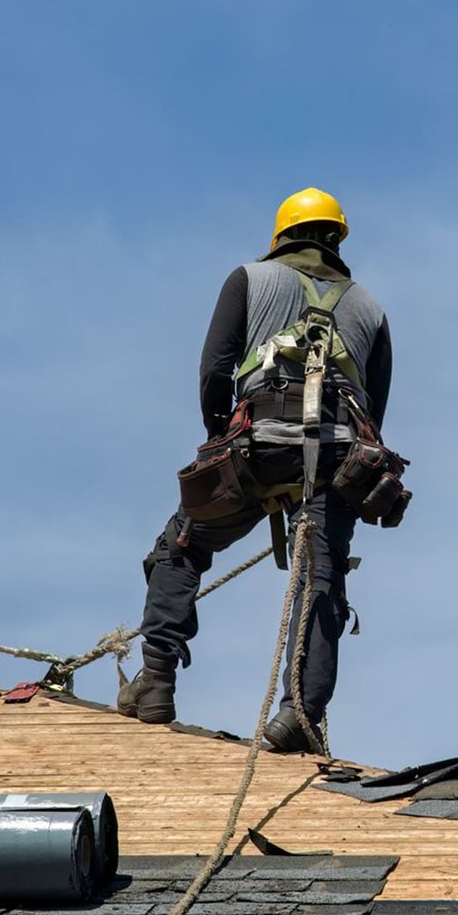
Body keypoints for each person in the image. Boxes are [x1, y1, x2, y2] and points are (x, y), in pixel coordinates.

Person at [119, 187, 394, 753]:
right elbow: (377, 413)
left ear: (280, 237)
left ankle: (157, 683)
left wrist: (220, 437)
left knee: (181, 546)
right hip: (340, 457)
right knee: (321, 577)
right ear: (337, 237)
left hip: (257, 445)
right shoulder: (371, 308)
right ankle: (299, 713)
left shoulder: (247, 278)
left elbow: (215, 369)